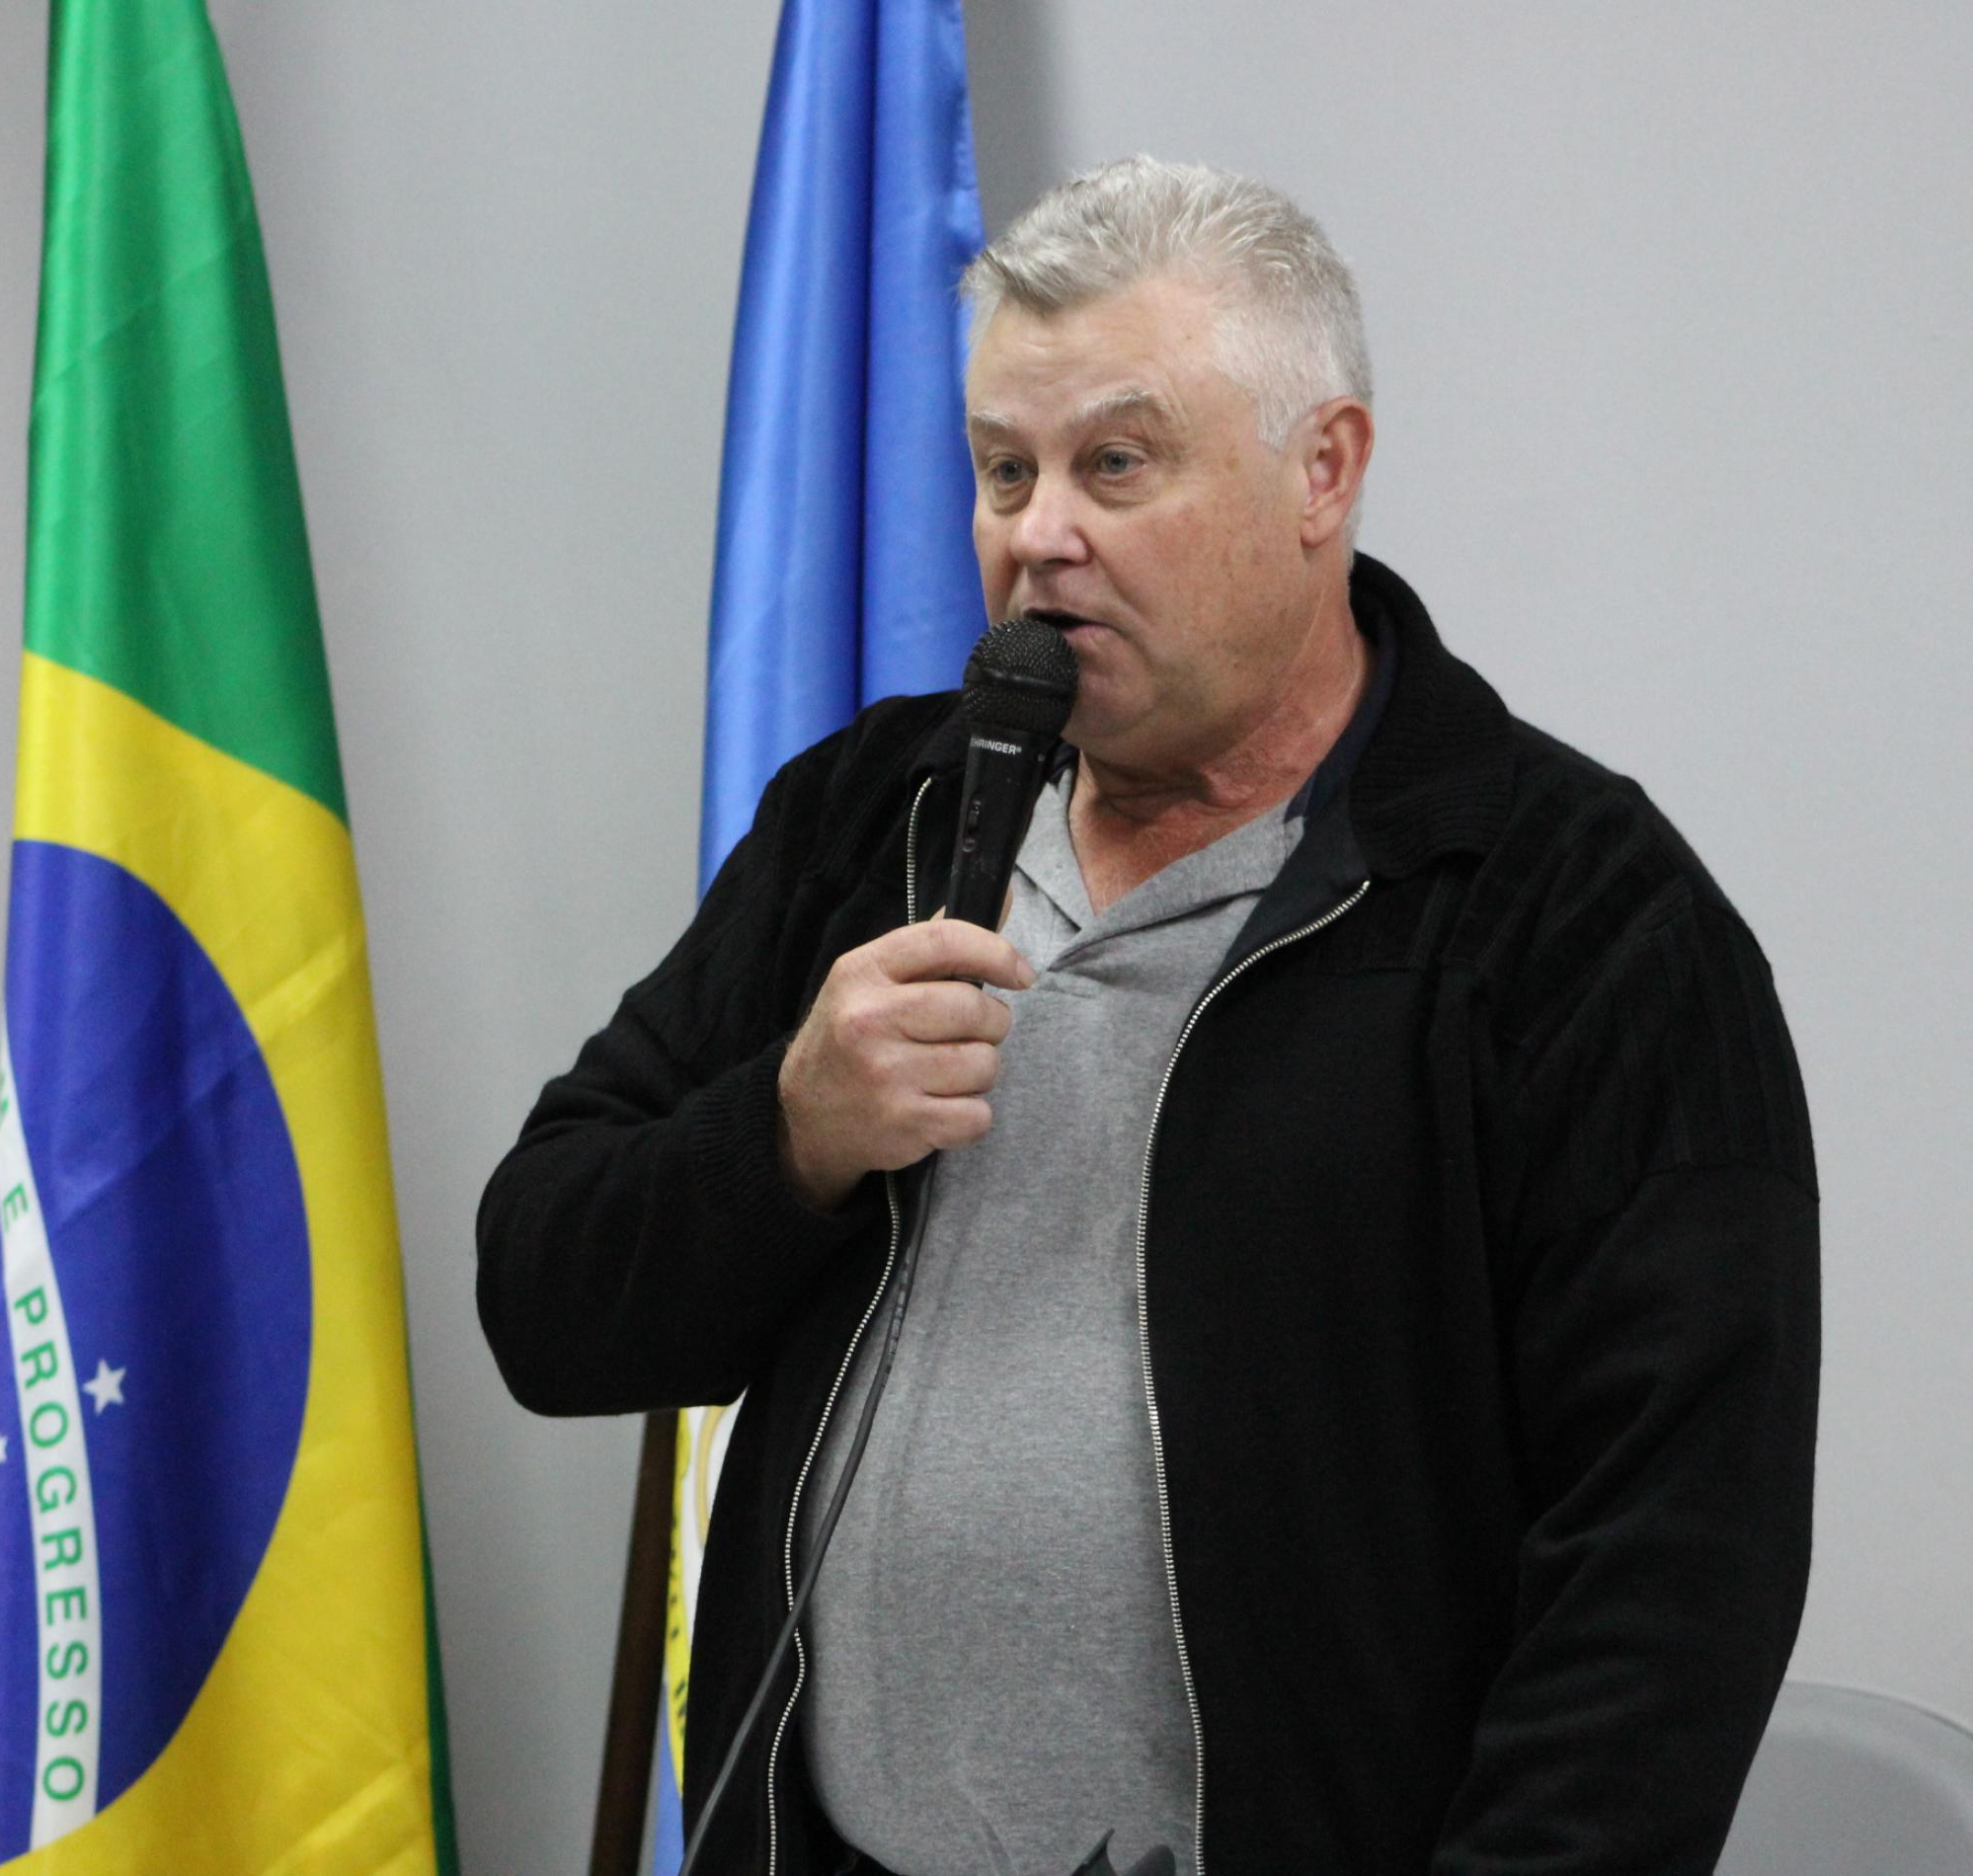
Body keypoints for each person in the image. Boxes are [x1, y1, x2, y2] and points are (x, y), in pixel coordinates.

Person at [474, 156, 1819, 1876]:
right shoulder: (872, 820)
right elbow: (545, 1304)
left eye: (1116, 463)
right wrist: (789, 1135)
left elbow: (1671, 1579)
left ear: (1323, 469)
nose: (1039, 535)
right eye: (1004, 469)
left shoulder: (1577, 916)